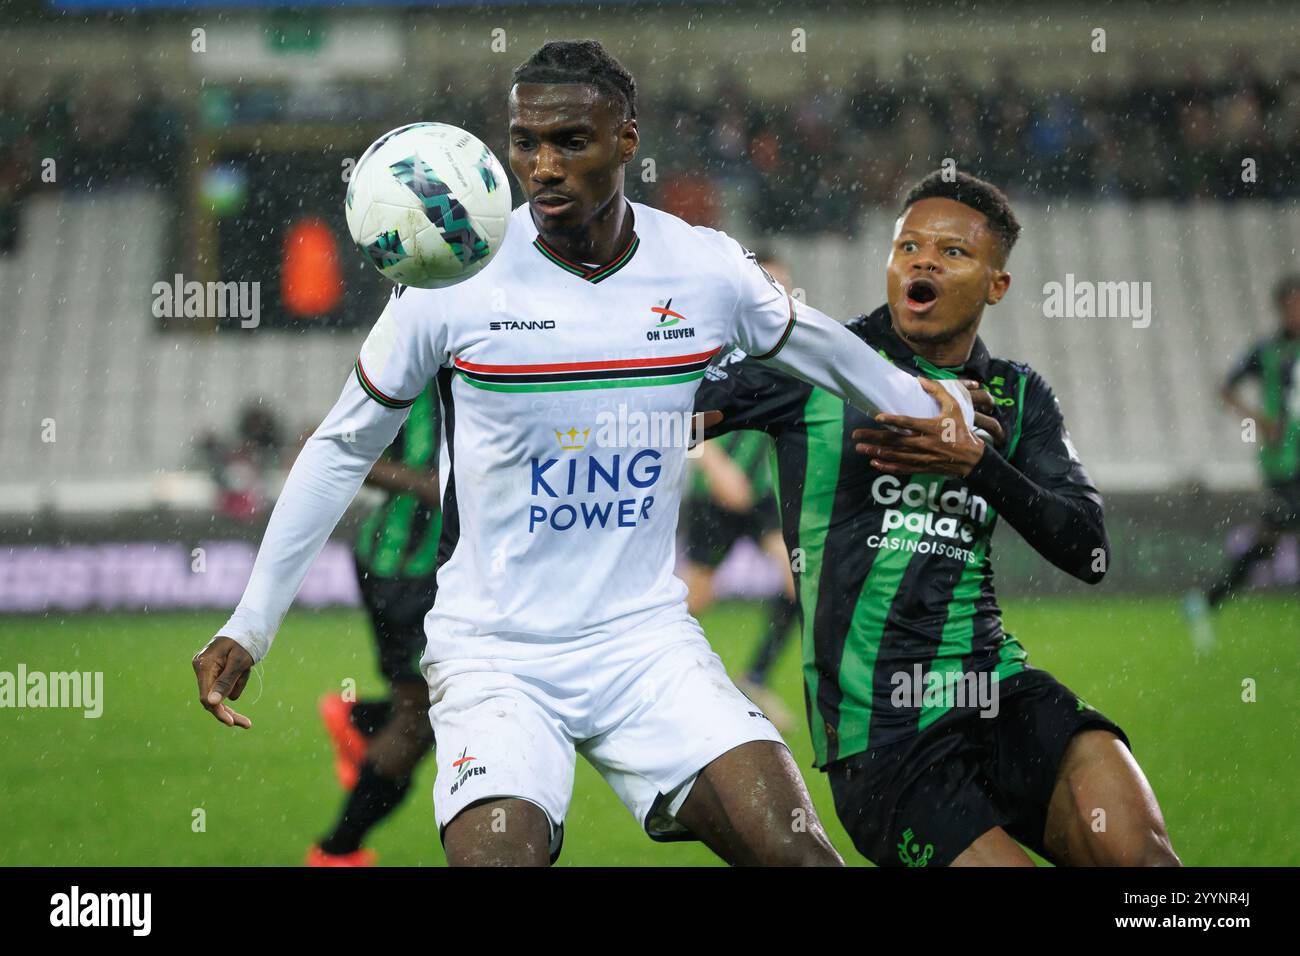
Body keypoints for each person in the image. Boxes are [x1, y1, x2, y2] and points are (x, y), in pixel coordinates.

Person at [191, 40, 975, 867]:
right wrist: (252, 623)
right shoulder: (452, 281)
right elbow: (340, 447)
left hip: (646, 645)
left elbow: (832, 356)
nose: (542, 165)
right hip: (495, 659)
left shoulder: (702, 268)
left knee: (802, 858)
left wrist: (941, 406)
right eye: (525, 141)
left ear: (627, 140)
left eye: (571, 141)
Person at [694, 170, 1180, 866]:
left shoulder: (1016, 395)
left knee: (1146, 862)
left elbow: (1088, 552)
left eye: (953, 252)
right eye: (908, 246)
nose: (923, 260)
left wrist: (975, 464)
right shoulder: (817, 365)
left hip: (999, 692)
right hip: (883, 738)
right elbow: (661, 412)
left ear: (996, 284)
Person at [309, 382, 441, 867]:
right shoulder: (411, 359)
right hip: (407, 569)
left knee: (444, 702)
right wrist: (425, 483)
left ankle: (361, 717)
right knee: (423, 716)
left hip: (452, 569)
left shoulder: (504, 346)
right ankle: (336, 851)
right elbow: (330, 442)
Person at [681, 253, 800, 731]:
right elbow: (678, 422)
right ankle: (658, 678)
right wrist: (717, 464)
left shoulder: (788, 350)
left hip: (763, 496)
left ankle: (754, 677)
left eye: (786, 285)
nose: (781, 294)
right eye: (773, 283)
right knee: (694, 600)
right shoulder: (715, 345)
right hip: (718, 494)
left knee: (799, 584)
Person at [1186, 275, 1300, 645]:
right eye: (1290, 304)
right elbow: (1225, 388)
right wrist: (1258, 420)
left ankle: (1207, 600)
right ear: (1280, 309)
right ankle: (1206, 600)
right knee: (1276, 531)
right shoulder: (1266, 351)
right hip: (1284, 462)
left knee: (1268, 541)